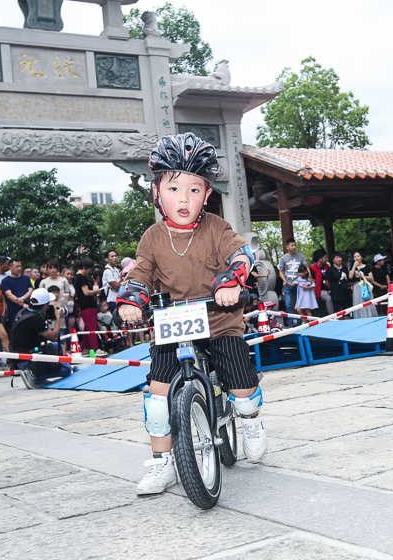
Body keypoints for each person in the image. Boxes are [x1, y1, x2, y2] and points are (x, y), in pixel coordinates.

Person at [117, 133, 265, 495]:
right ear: (156, 192)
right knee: (156, 395)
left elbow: (241, 255)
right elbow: (140, 272)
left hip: (218, 318)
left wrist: (232, 280)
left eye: (194, 190)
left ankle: (250, 421)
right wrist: (132, 299)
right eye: (173, 188)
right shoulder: (152, 237)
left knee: (239, 378)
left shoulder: (217, 228)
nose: (184, 199)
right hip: (172, 324)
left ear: (207, 195)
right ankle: (162, 462)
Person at [9, 288, 71, 388]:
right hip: (27, 358)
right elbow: (54, 337)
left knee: (57, 346)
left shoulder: (24, 312)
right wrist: (58, 317)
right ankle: (34, 375)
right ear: (45, 305)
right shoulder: (35, 319)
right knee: (67, 370)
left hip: (18, 354)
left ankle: (44, 369)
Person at [73, 257, 100, 353]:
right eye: (89, 269)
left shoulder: (77, 277)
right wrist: (95, 291)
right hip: (88, 305)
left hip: (84, 305)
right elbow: (86, 292)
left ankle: (85, 348)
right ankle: (95, 349)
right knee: (91, 328)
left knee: (86, 328)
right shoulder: (81, 277)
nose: (89, 271)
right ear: (85, 267)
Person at [40, 260, 70, 340]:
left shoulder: (63, 280)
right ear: (47, 269)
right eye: (50, 268)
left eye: (54, 268)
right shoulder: (43, 282)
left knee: (63, 332)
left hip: (61, 307)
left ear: (58, 269)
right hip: (48, 307)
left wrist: (62, 302)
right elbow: (41, 295)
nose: (52, 270)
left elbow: (68, 293)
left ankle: (64, 350)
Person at [278, 238, 306, 326]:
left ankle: (299, 323)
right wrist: (284, 280)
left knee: (299, 305)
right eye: (292, 245)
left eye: (295, 245)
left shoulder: (300, 256)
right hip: (287, 284)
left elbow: (306, 267)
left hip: (298, 284)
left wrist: (308, 276)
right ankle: (291, 325)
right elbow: (281, 271)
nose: (294, 247)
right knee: (289, 305)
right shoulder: (284, 258)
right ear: (287, 247)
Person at [0, 259, 33, 330]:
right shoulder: (5, 281)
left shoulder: (26, 278)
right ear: (10, 268)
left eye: (20, 266)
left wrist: (23, 298)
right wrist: (22, 303)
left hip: (27, 308)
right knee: (15, 329)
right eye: (17, 266)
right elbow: (9, 295)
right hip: (13, 310)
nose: (19, 268)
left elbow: (30, 290)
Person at [349, 251, 377, 319]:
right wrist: (354, 266)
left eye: (358, 256)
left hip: (365, 286)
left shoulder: (367, 267)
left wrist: (362, 276)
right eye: (355, 257)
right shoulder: (352, 267)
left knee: (368, 302)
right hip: (357, 287)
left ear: (361, 257)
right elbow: (350, 277)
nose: (356, 258)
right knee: (358, 303)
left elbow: (371, 278)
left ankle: (370, 317)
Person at [310, 249, 333, 316]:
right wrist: (315, 295)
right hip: (319, 290)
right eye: (325, 257)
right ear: (320, 259)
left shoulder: (327, 266)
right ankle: (332, 316)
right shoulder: (313, 268)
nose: (326, 259)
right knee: (329, 298)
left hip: (329, 288)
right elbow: (313, 283)